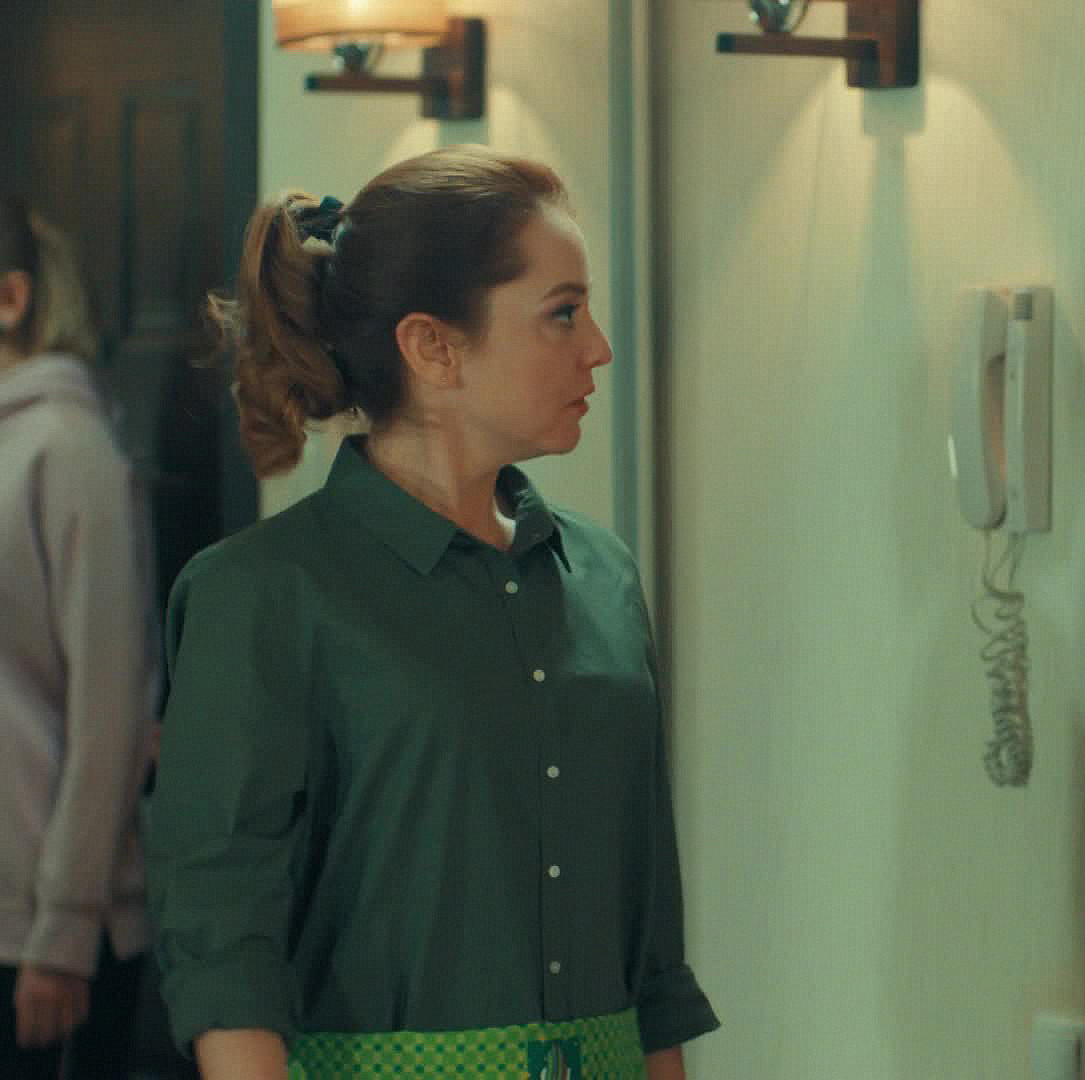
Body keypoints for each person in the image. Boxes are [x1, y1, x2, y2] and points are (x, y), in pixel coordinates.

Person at [144, 146, 719, 1079]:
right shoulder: (262, 595)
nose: (599, 347)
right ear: (432, 346)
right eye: (562, 313)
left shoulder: (604, 577)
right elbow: (222, 945)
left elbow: (651, 947)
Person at [0, 196, 158, 1078]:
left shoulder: (69, 450)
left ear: (11, 298)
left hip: (43, 941)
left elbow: (112, 709)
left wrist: (61, 935)